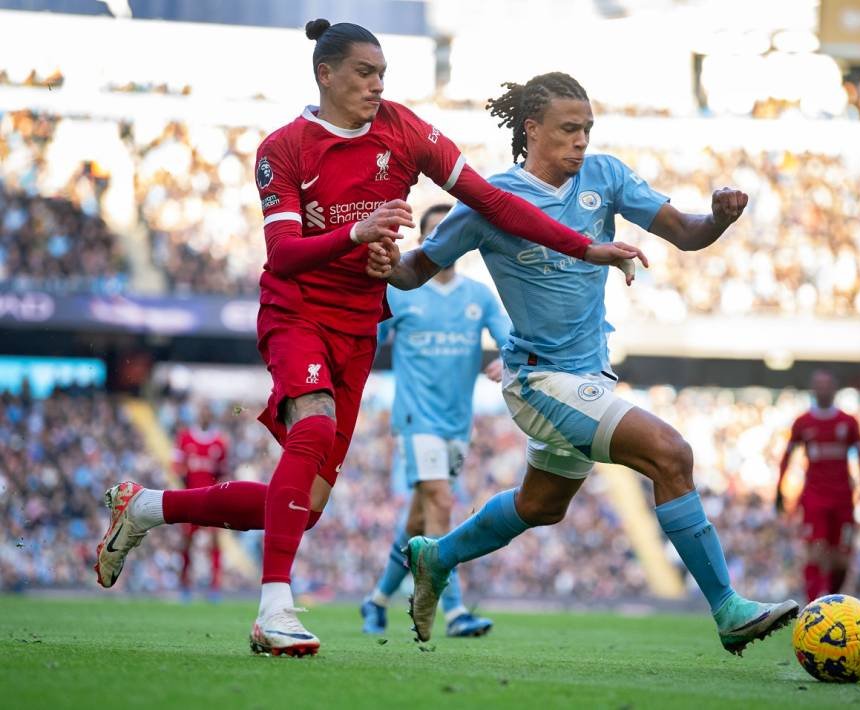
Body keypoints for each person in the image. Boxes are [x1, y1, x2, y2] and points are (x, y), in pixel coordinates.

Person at [93, 21, 644, 658]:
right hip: (295, 311)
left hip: (358, 327)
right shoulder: (284, 148)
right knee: (316, 425)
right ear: (324, 74)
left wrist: (586, 246)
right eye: (364, 72)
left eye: (383, 73)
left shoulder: (403, 130)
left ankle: (148, 508)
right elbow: (283, 256)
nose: (377, 84)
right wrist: (354, 237)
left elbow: (491, 201)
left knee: (305, 505)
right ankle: (274, 609)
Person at [367, 72, 798, 654]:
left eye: (587, 130)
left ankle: (436, 556)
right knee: (671, 455)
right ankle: (727, 609)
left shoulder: (606, 177)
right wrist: (382, 258)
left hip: (589, 375)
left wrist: (718, 218)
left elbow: (687, 233)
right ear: (532, 129)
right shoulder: (490, 202)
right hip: (538, 380)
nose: (581, 142)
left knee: (540, 506)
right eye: (569, 130)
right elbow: (417, 270)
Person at [360, 203, 508, 638]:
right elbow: (367, 337)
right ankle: (455, 611)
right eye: (433, 234)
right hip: (415, 417)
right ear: (423, 242)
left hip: (456, 424)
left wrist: (508, 357)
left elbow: (507, 334)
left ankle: (377, 599)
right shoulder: (401, 292)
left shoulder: (478, 296)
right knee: (442, 503)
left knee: (418, 519)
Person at [776, 369, 860, 602]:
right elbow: (786, 456)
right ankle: (814, 604)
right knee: (815, 549)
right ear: (813, 389)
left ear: (834, 389)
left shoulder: (848, 423)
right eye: (818, 385)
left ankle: (831, 598)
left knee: (842, 557)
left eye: (826, 385)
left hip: (842, 497)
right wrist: (779, 488)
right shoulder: (803, 423)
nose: (822, 389)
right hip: (815, 496)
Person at [172, 402, 228, 600]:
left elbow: (222, 473)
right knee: (186, 542)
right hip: (190, 499)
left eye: (207, 413)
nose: (204, 416)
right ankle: (184, 584)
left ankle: (215, 587)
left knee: (214, 542)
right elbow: (177, 467)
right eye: (202, 412)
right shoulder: (185, 438)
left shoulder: (220, 443)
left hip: (211, 501)